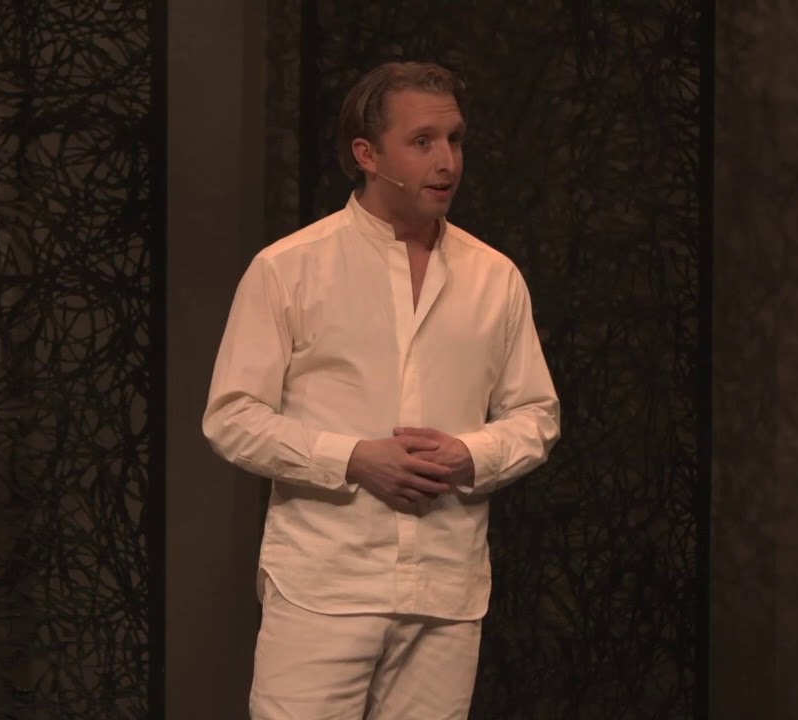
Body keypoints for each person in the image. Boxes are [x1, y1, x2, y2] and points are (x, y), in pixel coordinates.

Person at [203, 61, 561, 719]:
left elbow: (536, 414)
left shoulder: (494, 277)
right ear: (367, 154)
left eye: (454, 139)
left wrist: (470, 455)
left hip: (445, 589)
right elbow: (232, 417)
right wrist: (353, 459)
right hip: (324, 587)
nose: (446, 161)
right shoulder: (289, 269)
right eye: (422, 141)